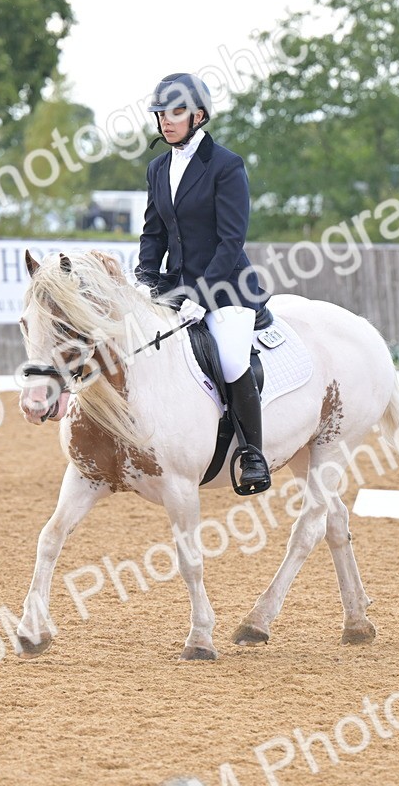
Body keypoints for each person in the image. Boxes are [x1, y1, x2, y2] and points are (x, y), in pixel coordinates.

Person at [135, 72, 271, 494]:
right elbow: (153, 233)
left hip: (226, 286)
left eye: (175, 113)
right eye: (160, 114)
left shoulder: (226, 165)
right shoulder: (158, 167)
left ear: (198, 115)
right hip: (174, 286)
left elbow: (232, 240)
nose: (165, 122)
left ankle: (252, 455)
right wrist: (144, 278)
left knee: (231, 358)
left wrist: (203, 293)